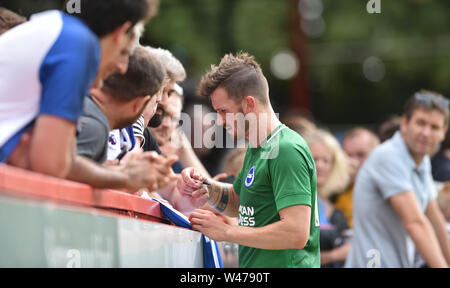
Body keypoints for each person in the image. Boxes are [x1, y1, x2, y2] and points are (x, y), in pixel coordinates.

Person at [183, 52, 320, 268]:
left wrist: (226, 231)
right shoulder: (258, 147)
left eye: (223, 111)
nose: (219, 121)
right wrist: (204, 188)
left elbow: (296, 233)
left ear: (248, 104)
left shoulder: (286, 149)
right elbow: (240, 204)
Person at [0, 0, 155, 180]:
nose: (122, 67)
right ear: (120, 32)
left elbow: (61, 159)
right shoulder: (78, 44)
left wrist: (123, 174)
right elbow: (51, 164)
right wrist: (126, 179)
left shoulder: (61, 30)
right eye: (124, 52)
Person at [346, 90, 450, 268]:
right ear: (404, 123)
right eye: (421, 123)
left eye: (434, 127)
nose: (426, 133)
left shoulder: (422, 159)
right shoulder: (389, 155)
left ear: (444, 132)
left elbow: (435, 221)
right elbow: (415, 223)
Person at [304, 129, 351, 267]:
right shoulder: (292, 201)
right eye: (315, 158)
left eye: (326, 160)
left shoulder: (335, 210)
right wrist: (334, 256)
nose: (320, 165)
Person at [334, 127, 379, 228]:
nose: (354, 162)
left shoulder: (385, 190)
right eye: (348, 156)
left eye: (361, 155)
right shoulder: (335, 190)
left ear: (377, 153)